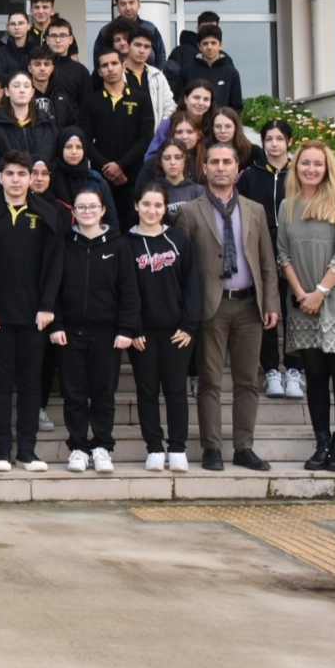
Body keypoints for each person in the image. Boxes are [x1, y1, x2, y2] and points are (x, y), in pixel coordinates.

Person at [176, 142, 281, 472]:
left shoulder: (255, 210)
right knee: (209, 380)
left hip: (250, 306)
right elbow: (183, 268)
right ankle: (212, 447)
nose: (221, 167)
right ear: (204, 167)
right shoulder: (189, 212)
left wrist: (271, 303)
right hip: (212, 307)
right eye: (215, 162)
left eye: (227, 162)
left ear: (237, 168)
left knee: (247, 381)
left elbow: (267, 261)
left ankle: (243, 447)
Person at [278, 142, 335, 473]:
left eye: (318, 164)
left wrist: (319, 292)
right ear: (296, 167)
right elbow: (283, 254)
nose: (311, 169)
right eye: (305, 163)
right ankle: (321, 443)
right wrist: (301, 293)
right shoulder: (287, 206)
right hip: (303, 303)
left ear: (327, 168)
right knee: (315, 375)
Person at [0, 151, 63, 474]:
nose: (16, 180)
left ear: (31, 178)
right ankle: (1, 450)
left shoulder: (48, 214)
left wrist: (47, 306)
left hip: (34, 317)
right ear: (0, 177)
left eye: (22, 174)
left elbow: (56, 265)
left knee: (30, 383)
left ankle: (27, 450)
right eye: (10, 174)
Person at [49, 188, 141, 475]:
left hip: (108, 335)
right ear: (73, 212)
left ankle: (102, 446)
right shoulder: (64, 243)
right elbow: (53, 288)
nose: (87, 212)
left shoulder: (119, 244)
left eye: (92, 207)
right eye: (81, 207)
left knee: (103, 394)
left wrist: (126, 328)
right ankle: (78, 447)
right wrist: (56, 324)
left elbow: (129, 291)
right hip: (70, 334)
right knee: (74, 394)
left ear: (103, 210)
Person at [126, 181, 201, 474]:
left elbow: (191, 284)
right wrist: (133, 328)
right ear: (136, 206)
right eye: (146, 204)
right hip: (142, 334)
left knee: (175, 390)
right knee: (146, 390)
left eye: (158, 205)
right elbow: (124, 291)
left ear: (165, 208)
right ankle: (155, 448)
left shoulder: (178, 240)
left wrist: (189, 324)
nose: (152, 210)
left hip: (176, 332)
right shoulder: (126, 243)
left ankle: (178, 448)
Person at [240, 118, 304, 400]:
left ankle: (294, 369)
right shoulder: (250, 175)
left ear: (289, 142)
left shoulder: (299, 173)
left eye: (279, 139)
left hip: (295, 251)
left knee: (294, 311)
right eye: (269, 139)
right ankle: (270, 370)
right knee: (267, 310)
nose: (274, 144)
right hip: (261, 251)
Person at [80, 50, 154, 223]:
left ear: (123, 66)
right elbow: (85, 141)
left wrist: (121, 165)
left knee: (133, 225)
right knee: (105, 225)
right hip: (102, 177)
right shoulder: (90, 102)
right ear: (99, 72)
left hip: (134, 176)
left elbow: (146, 137)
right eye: (105, 65)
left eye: (114, 63)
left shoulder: (141, 98)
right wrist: (108, 168)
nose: (110, 68)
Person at [0, 70, 59, 170]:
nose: (22, 90)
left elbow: (56, 156)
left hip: (42, 178)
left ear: (32, 92)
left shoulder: (46, 122)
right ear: (6, 91)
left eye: (26, 86)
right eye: (16, 86)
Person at [91, 0, 167, 67]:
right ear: (117, 7)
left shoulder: (150, 28)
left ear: (139, 4)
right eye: (123, 4)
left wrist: (155, 73)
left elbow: (161, 57)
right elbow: (99, 61)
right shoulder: (106, 31)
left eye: (131, 3)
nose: (128, 8)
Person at [141, 141, 204, 221]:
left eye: (178, 157)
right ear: (160, 162)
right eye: (167, 158)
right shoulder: (152, 192)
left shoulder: (198, 191)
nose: (172, 162)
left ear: (185, 160)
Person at [188, 24, 244, 112]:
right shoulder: (187, 70)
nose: (209, 47)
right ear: (199, 46)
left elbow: (236, 106)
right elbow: (180, 100)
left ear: (220, 45)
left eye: (213, 43)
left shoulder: (231, 72)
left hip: (221, 120)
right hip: (194, 120)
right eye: (205, 43)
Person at [0, 10, 40, 81]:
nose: (17, 27)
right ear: (7, 28)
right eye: (13, 24)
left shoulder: (38, 52)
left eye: (21, 23)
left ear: (28, 26)